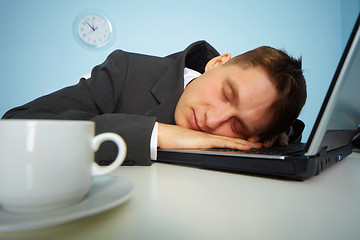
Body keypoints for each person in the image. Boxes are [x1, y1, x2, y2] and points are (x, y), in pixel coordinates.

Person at [2, 41, 306, 166]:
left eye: (237, 125)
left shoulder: (258, 129)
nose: (214, 121)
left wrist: (280, 134)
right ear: (215, 63)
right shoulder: (126, 72)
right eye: (226, 94)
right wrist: (156, 133)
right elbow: (16, 126)